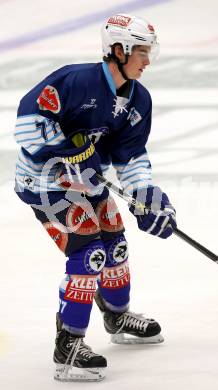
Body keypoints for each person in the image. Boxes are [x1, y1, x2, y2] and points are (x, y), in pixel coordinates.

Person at [14, 13, 177, 382]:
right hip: (44, 185)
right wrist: (66, 151)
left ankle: (117, 317)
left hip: (89, 184)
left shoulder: (138, 100)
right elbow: (27, 124)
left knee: (115, 245)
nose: (147, 61)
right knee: (89, 254)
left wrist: (145, 195)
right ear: (117, 49)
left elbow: (131, 156)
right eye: (140, 52)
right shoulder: (75, 81)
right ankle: (68, 347)